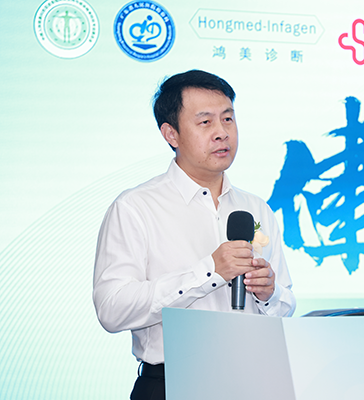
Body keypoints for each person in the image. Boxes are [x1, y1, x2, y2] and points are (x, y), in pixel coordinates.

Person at [93, 70, 296, 400]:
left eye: (228, 119)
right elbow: (112, 309)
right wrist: (210, 271)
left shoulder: (255, 207)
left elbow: (285, 306)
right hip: (171, 384)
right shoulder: (135, 207)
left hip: (253, 383)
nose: (222, 133)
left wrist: (269, 293)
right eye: (205, 122)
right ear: (171, 134)